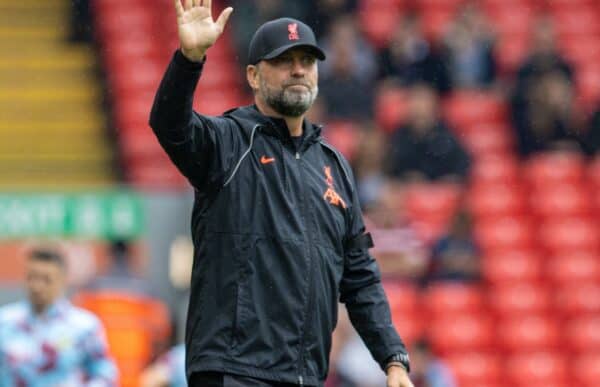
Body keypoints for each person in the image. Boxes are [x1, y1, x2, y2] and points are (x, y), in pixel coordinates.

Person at [149, 1, 413, 386]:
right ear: (254, 76)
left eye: (307, 61)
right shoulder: (228, 142)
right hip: (233, 370)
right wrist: (190, 58)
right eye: (284, 60)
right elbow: (169, 124)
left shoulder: (335, 166)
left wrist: (393, 358)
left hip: (304, 375)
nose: (298, 70)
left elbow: (359, 276)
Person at [0, 247, 118, 386]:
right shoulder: (5, 322)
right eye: (32, 277)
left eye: (46, 279)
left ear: (62, 280)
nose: (37, 286)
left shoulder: (84, 326)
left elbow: (105, 374)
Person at [385, 83, 471, 182]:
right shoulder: (398, 137)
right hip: (409, 192)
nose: (419, 106)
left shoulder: (448, 134)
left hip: (441, 192)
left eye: (423, 100)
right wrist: (405, 179)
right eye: (415, 100)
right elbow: (391, 168)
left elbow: (461, 166)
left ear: (434, 105)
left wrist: (448, 181)